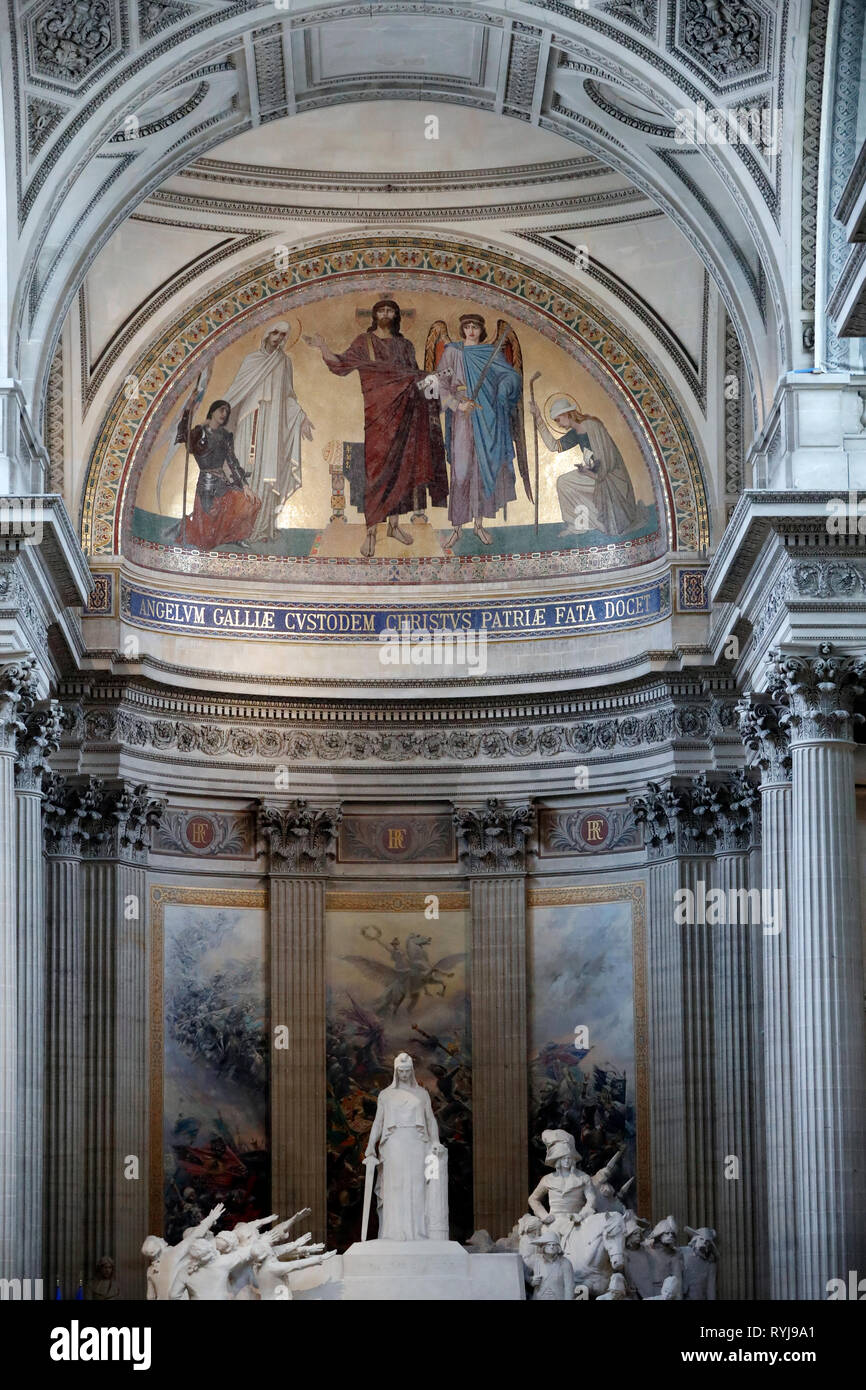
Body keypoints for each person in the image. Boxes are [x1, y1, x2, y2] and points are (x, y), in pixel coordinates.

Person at [304, 301, 447, 557]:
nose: (385, 315)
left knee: (403, 470)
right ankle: (371, 532)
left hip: (406, 414)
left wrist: (435, 382)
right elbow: (341, 365)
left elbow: (414, 377)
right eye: (381, 311)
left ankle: (393, 527)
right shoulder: (364, 342)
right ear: (374, 315)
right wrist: (323, 347)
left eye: (390, 311)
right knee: (377, 472)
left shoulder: (405, 345)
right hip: (378, 418)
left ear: (396, 316)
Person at [434, 314, 523, 547]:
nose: (471, 331)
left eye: (475, 327)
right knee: (461, 471)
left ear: (481, 330)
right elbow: (437, 384)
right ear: (462, 329)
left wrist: (503, 387)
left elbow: (511, 376)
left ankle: (479, 525)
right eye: (467, 327)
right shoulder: (453, 352)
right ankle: (456, 527)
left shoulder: (489, 353)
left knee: (482, 471)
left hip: (486, 416)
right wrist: (456, 403)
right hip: (462, 417)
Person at [223, 322, 314, 542]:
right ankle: (238, 527)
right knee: (243, 466)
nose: (278, 338)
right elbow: (236, 392)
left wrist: (301, 416)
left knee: (267, 470)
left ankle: (261, 528)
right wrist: (218, 417)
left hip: (272, 425)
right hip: (248, 422)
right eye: (274, 333)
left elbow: (289, 396)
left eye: (283, 335)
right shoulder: (251, 360)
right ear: (266, 334)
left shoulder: (285, 363)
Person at [529, 394, 641, 537]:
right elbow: (553, 446)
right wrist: (538, 418)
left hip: (609, 476)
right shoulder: (575, 433)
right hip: (594, 473)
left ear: (567, 413)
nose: (558, 424)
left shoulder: (592, 425)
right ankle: (578, 525)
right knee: (563, 482)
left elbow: (608, 458)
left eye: (558, 420)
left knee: (567, 482)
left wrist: (591, 471)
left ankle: (599, 521)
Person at [364, 1052, 446, 1240]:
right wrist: (370, 1146)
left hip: (417, 1143)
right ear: (395, 1072)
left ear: (412, 1071)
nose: (404, 1075)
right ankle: (393, 1232)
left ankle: (418, 1231)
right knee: (394, 1187)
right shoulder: (386, 1095)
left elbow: (430, 1120)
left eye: (407, 1071)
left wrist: (435, 1141)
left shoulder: (422, 1094)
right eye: (401, 1071)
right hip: (393, 1143)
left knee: (417, 1186)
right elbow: (378, 1122)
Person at [183, 400, 261, 550]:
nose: (224, 414)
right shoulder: (198, 432)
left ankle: (236, 536)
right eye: (221, 410)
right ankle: (217, 536)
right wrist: (189, 414)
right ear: (212, 411)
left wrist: (245, 485)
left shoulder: (225, 436)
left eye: (227, 412)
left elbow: (232, 461)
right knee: (205, 539)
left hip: (222, 484)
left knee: (252, 502)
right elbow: (187, 443)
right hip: (206, 485)